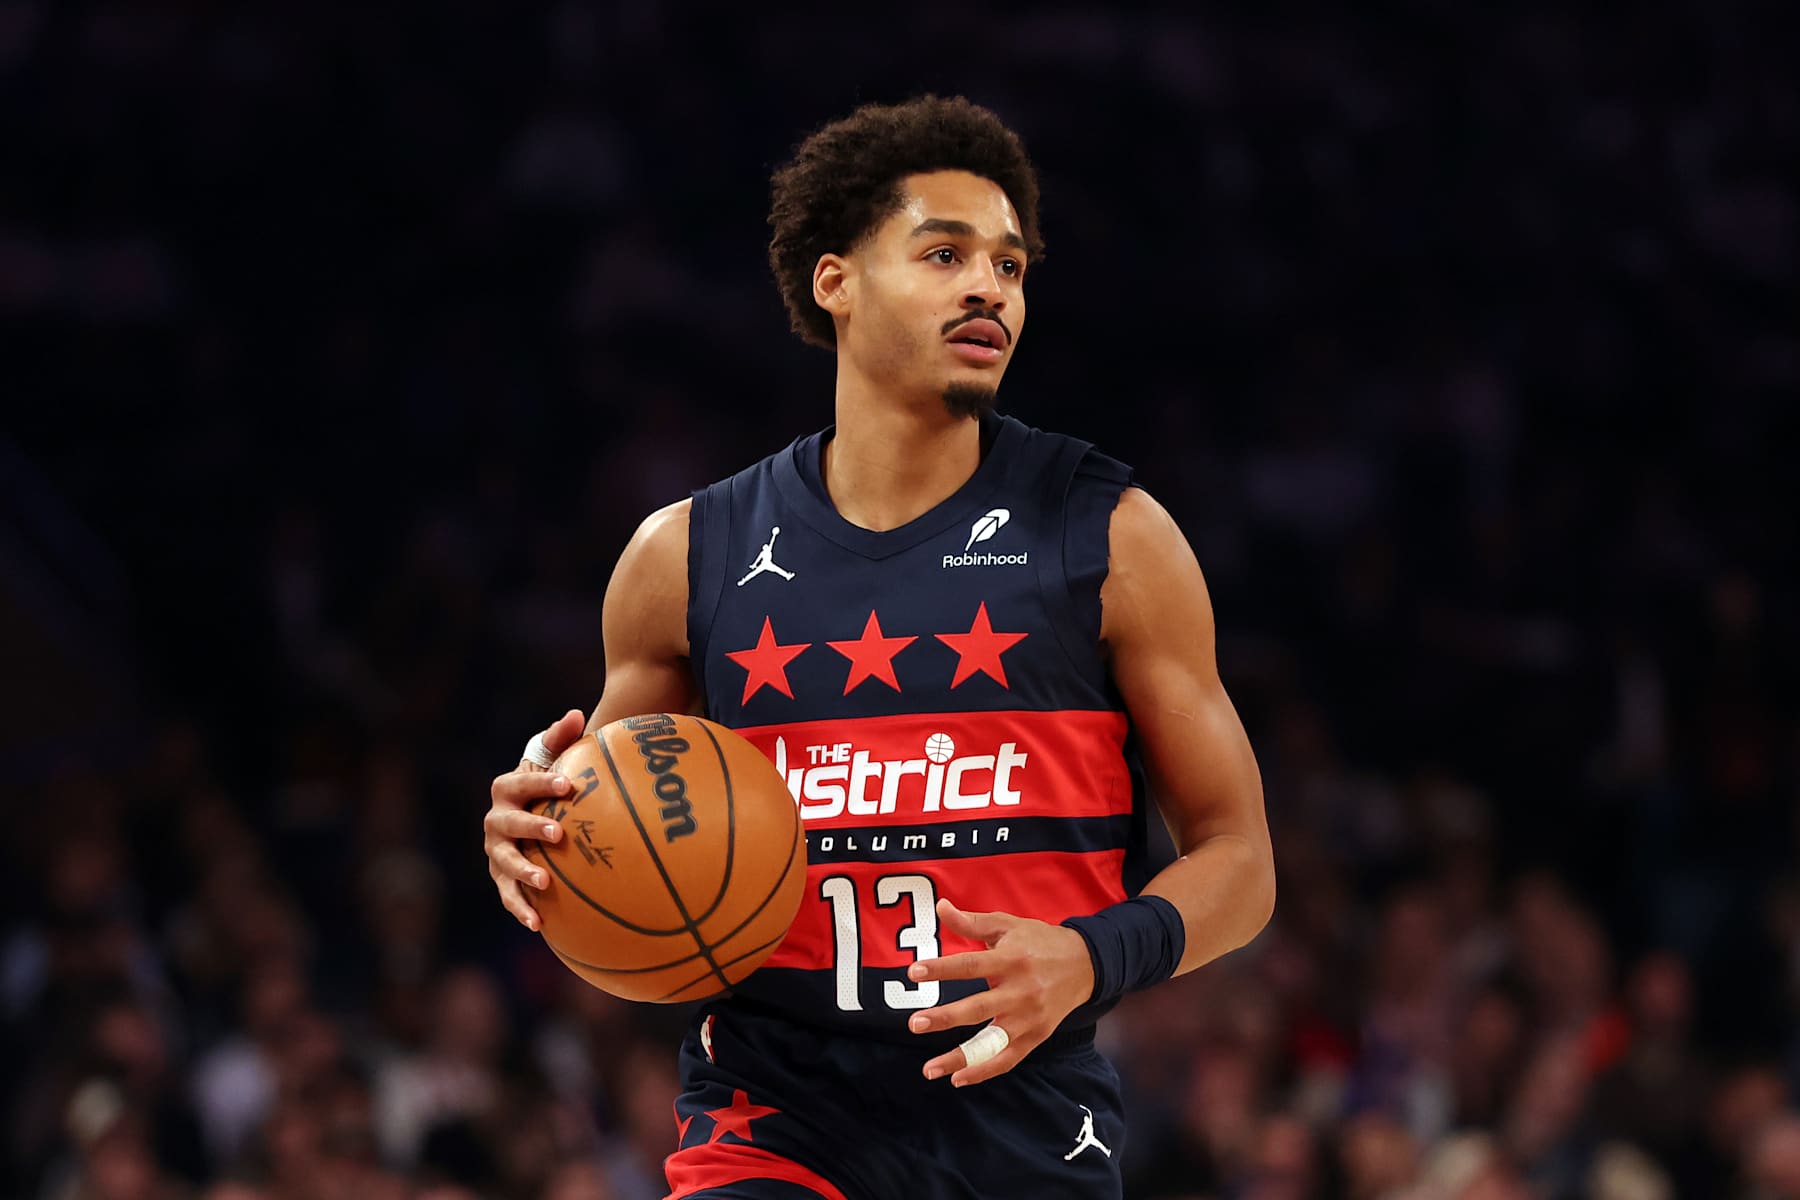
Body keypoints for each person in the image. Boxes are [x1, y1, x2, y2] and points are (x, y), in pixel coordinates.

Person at [484, 95, 1274, 1199]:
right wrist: (529, 834)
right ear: (834, 280)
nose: (988, 287)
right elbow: (601, 839)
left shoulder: (1110, 534)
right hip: (775, 1110)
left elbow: (1244, 865)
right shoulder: (686, 556)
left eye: (1008, 265)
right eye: (944, 252)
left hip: (1021, 1118)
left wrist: (1094, 955)